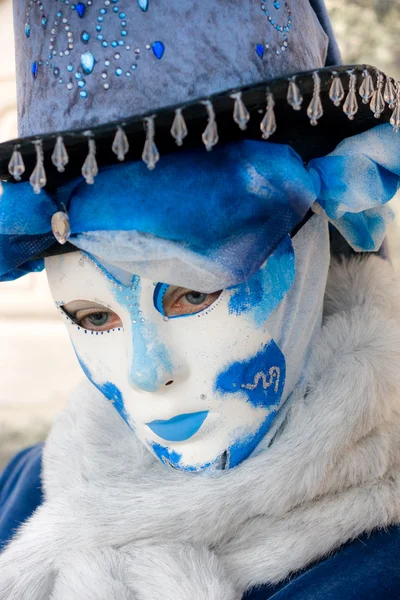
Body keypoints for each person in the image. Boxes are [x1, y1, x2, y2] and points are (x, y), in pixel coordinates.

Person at [1, 0, 400, 598]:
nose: (149, 374)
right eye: (94, 316)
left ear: (314, 248)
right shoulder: (19, 488)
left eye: (193, 292)